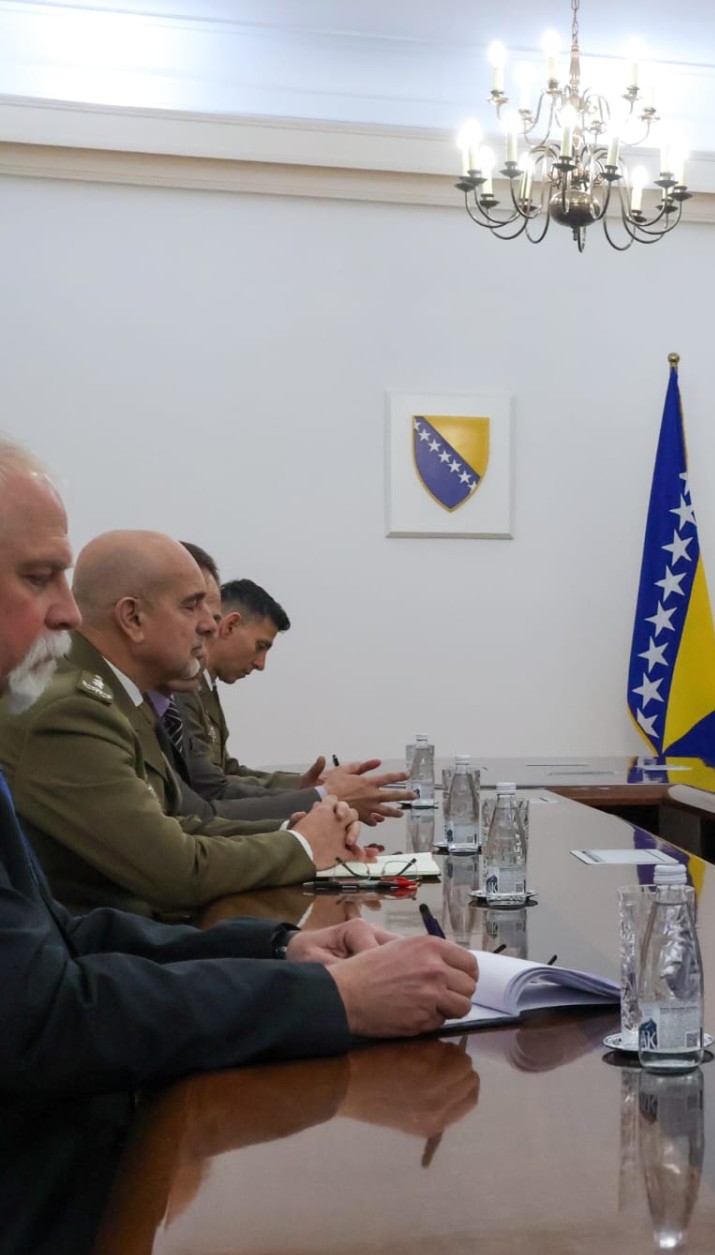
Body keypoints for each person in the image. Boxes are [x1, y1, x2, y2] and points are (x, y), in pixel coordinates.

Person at [0, 436, 477, 1096]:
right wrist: (330, 993)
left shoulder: (105, 698)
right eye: (37, 577)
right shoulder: (67, 708)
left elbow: (73, 932)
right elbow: (50, 1010)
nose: (70, 610)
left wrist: (279, 949)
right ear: (133, 618)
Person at [0, 526, 368, 917]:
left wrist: (296, 831)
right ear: (133, 618)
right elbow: (174, 871)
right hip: (115, 942)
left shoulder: (120, 698)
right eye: (191, 606)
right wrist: (304, 846)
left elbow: (183, 822)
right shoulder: (73, 712)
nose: (209, 625)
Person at [166, 551, 409, 824]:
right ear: (230, 625)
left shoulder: (204, 688)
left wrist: (304, 786)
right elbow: (211, 789)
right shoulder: (182, 691)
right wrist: (319, 795)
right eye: (260, 646)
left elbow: (225, 770)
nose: (261, 664)